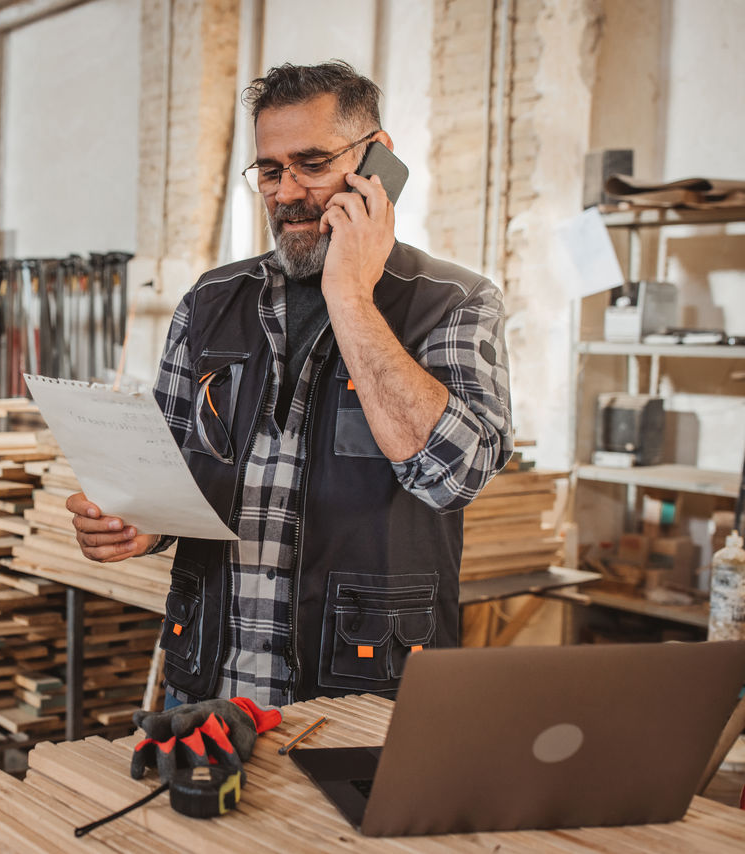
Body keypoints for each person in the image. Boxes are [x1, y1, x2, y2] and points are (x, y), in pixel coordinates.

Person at [67, 61, 513, 708]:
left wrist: (350, 295)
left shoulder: (454, 302)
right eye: (270, 170)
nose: (286, 192)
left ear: (377, 161)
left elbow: (452, 477)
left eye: (311, 163)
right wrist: (139, 525)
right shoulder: (211, 302)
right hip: (208, 682)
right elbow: (169, 472)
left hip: (363, 688)